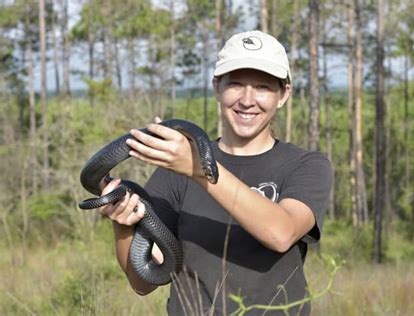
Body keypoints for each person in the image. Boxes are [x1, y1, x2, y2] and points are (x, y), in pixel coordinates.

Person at [99, 30, 332, 315]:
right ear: (217, 88)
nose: (247, 100)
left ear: (283, 95)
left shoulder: (305, 165)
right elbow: (144, 282)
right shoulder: (176, 169)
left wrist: (198, 169)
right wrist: (123, 224)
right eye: (235, 84)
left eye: (262, 87)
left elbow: (280, 233)